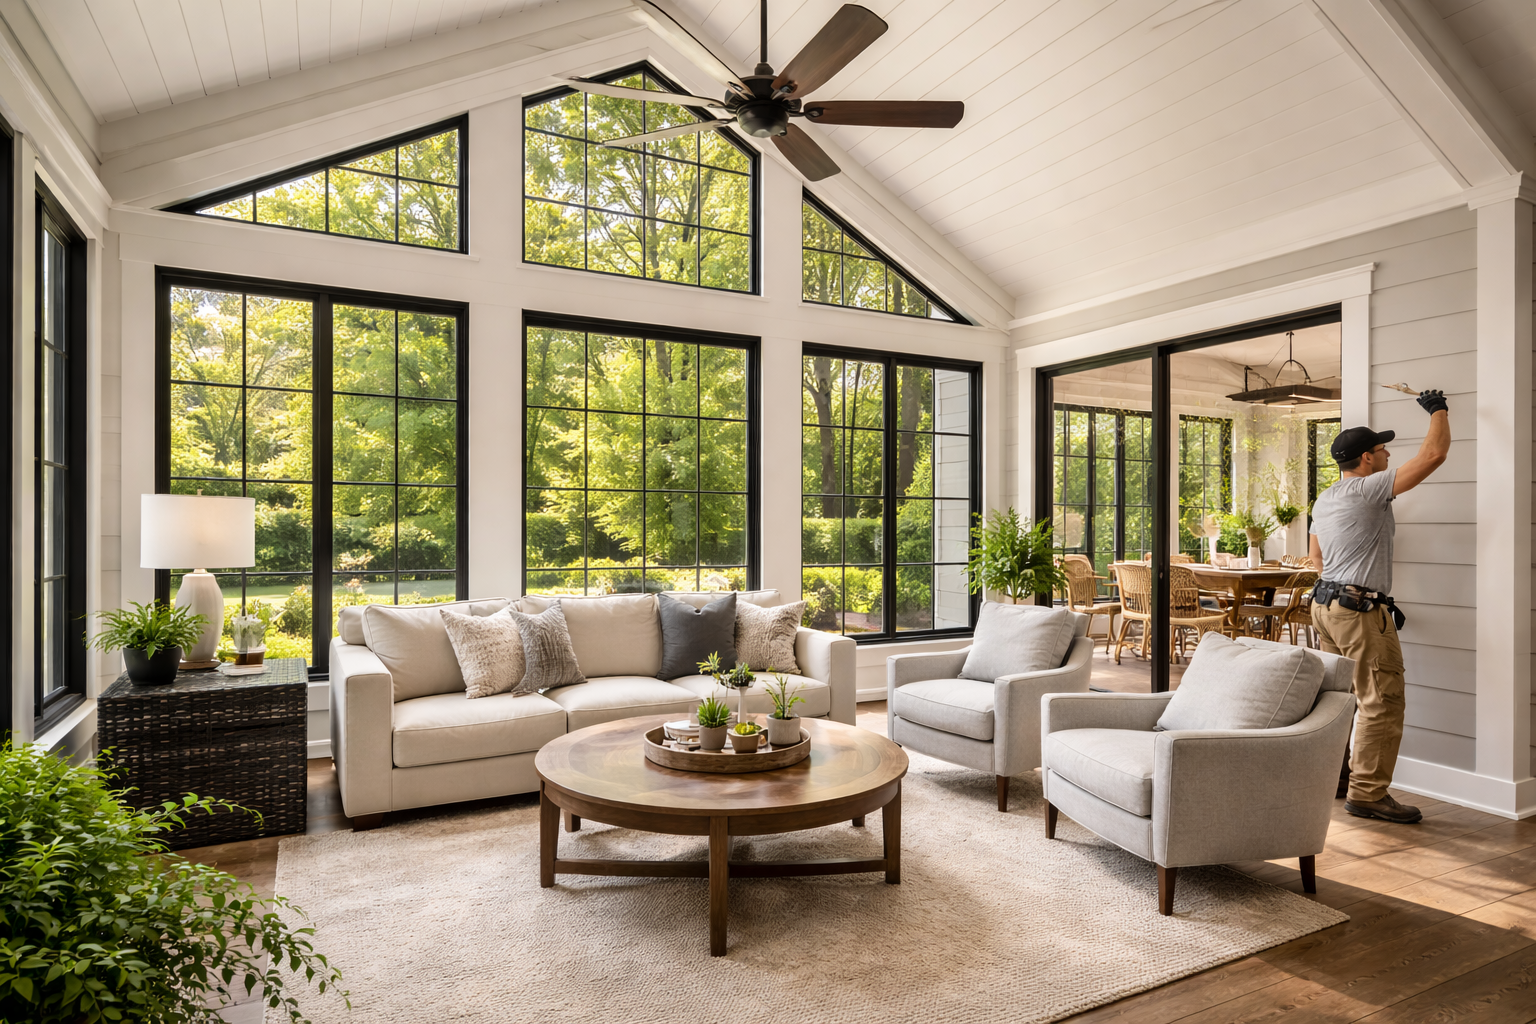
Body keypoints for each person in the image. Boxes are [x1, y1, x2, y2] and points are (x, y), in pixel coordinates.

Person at [1308, 389, 1450, 824]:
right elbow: (1432, 456)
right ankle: (1368, 793)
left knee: (1338, 699)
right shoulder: (1368, 489)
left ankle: (1334, 776)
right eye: (1383, 448)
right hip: (1357, 611)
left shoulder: (1326, 497)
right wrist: (1438, 410)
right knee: (1381, 701)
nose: (1388, 453)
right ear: (1367, 459)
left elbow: (1315, 557)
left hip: (1325, 606)